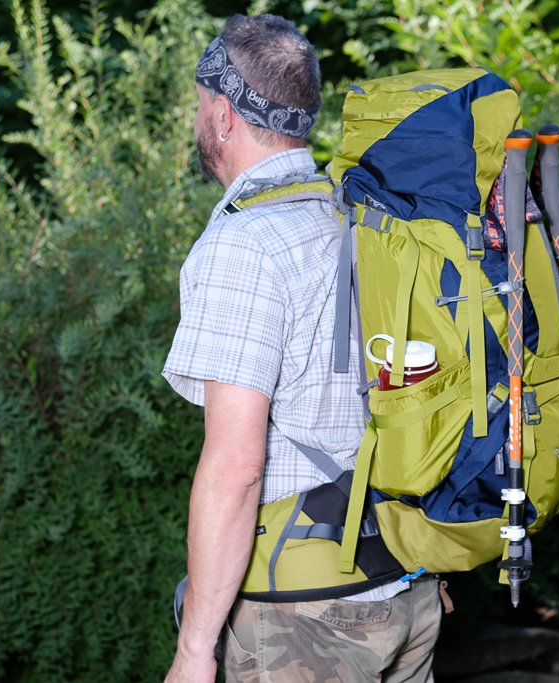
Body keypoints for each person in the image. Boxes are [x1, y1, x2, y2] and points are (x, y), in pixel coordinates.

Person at [161, 15, 441, 683]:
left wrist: (195, 647)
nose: (199, 118)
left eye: (200, 105)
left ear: (223, 114)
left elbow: (236, 469)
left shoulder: (244, 245)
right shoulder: (360, 214)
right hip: (408, 589)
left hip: (306, 619)